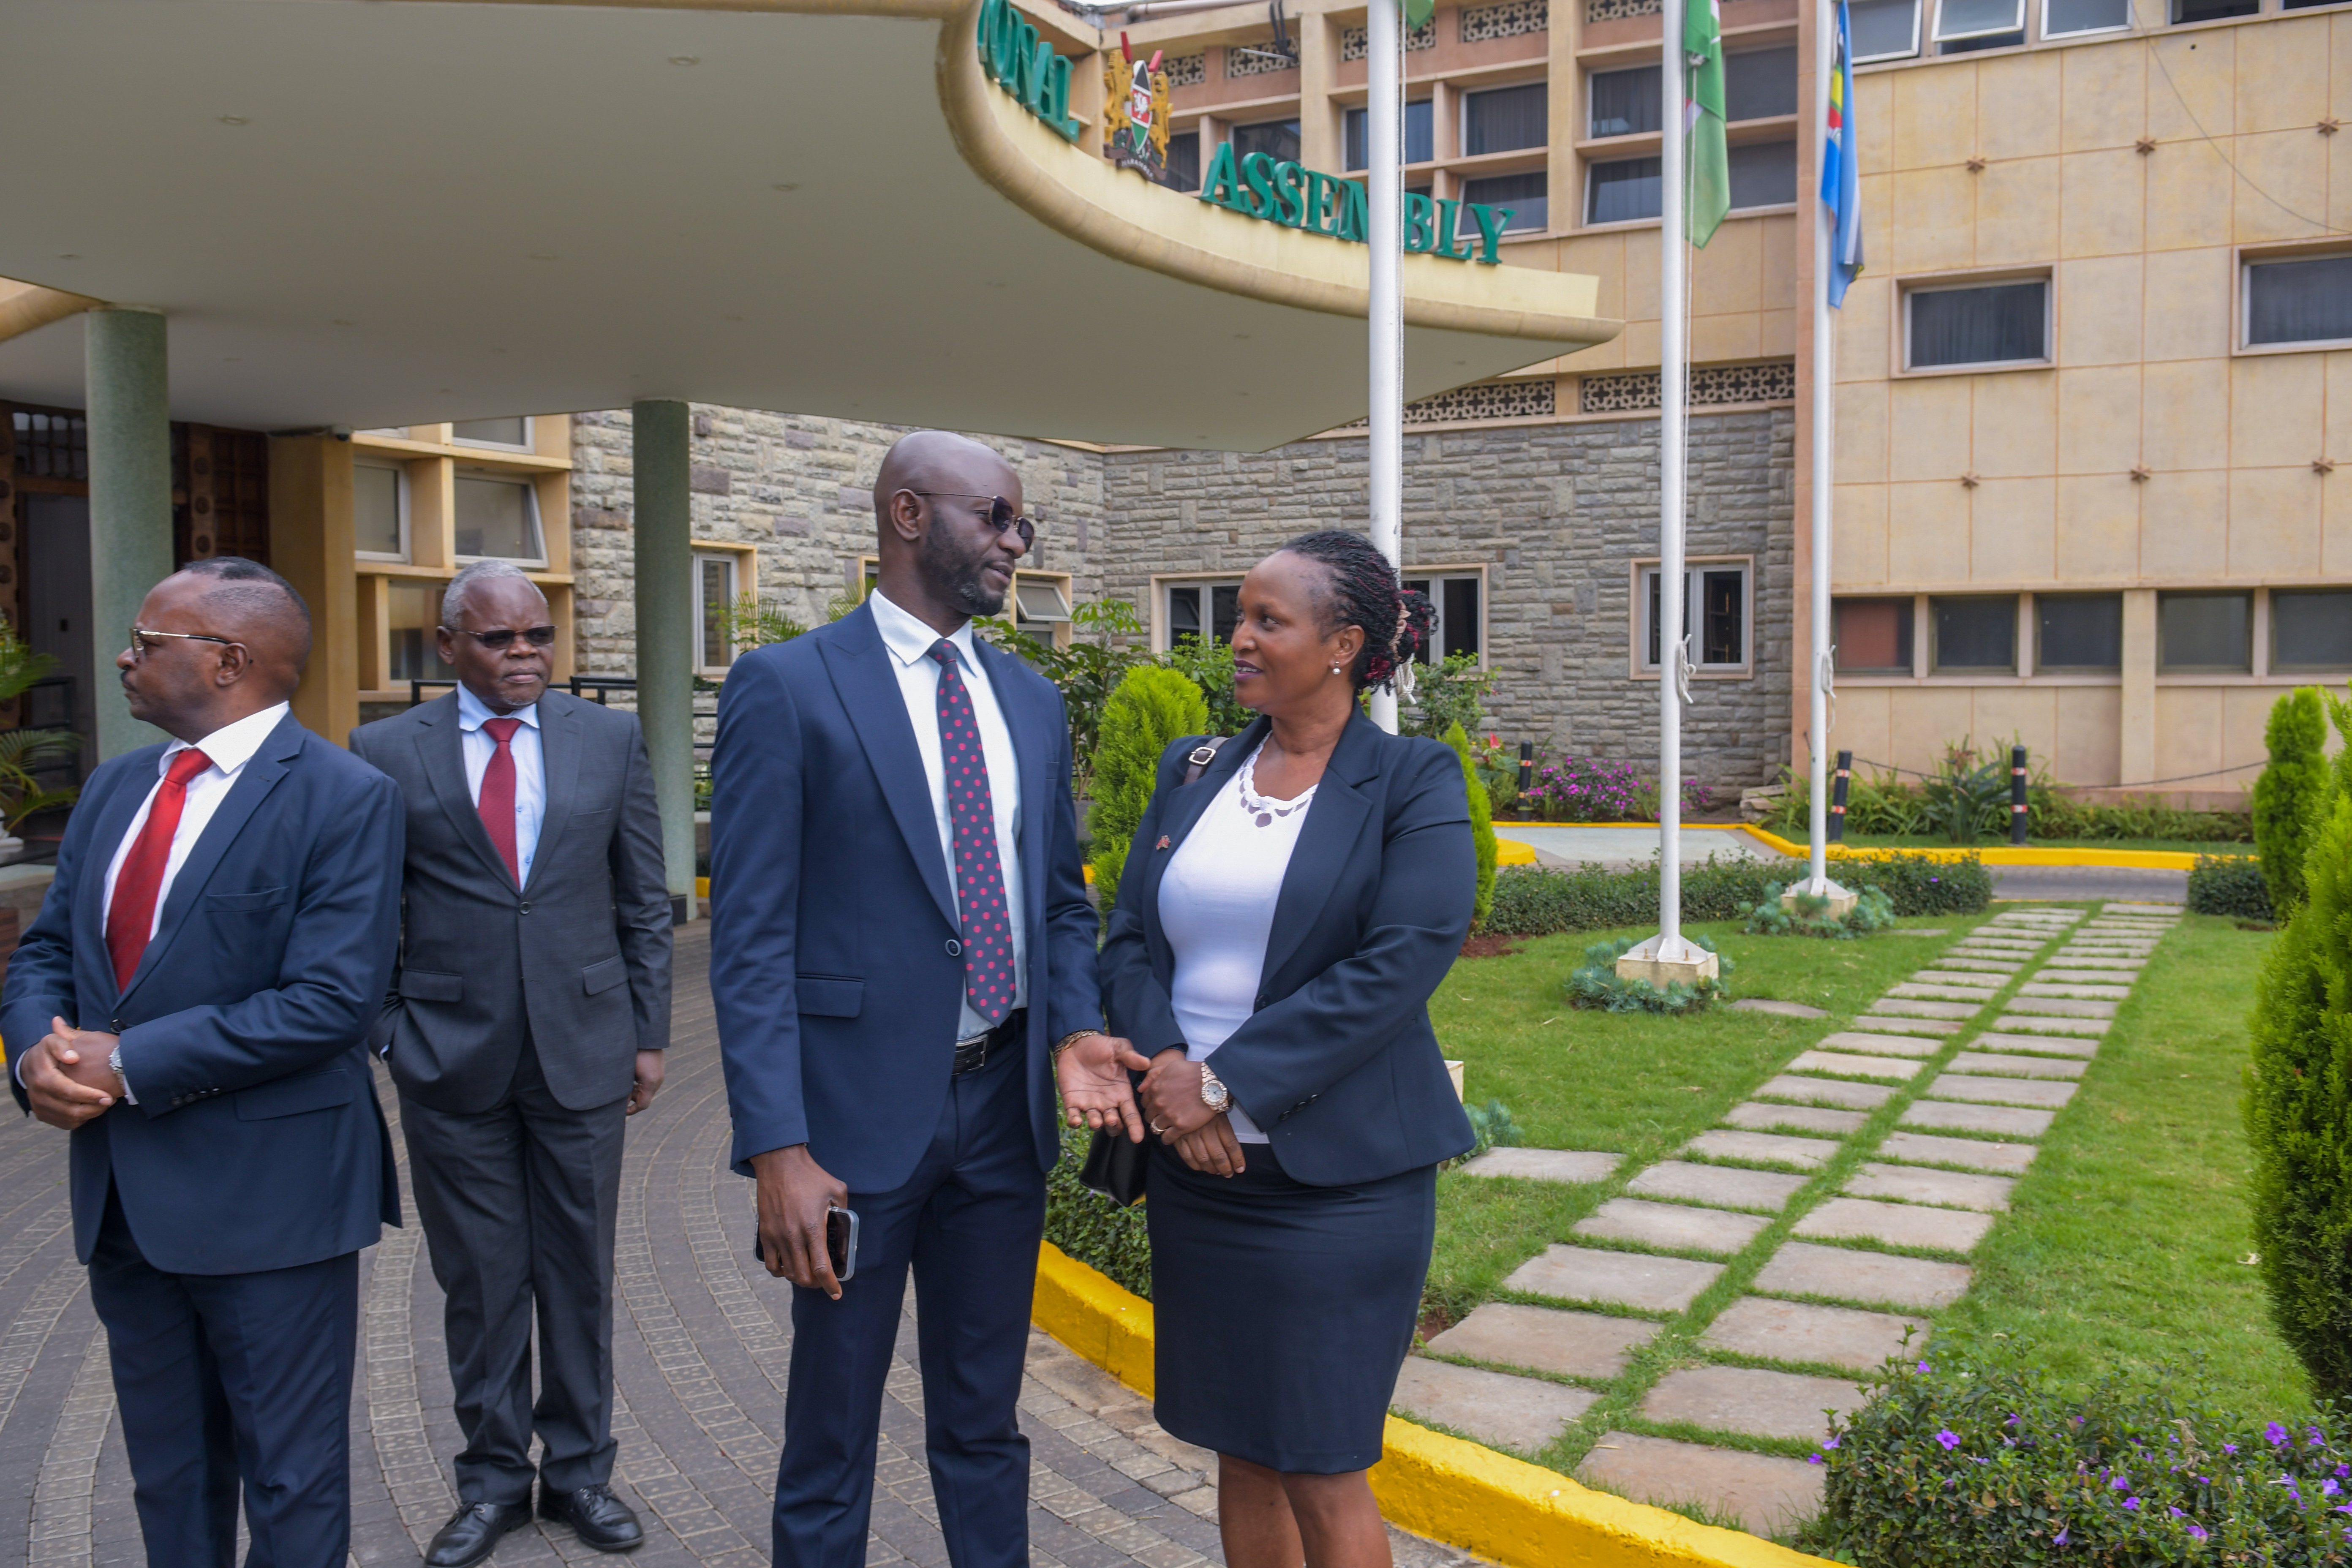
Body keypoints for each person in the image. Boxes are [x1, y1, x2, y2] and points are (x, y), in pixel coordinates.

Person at [708, 430, 1141, 1568]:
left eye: (1022, 525)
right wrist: (778, 1148)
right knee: (831, 1435)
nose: (1015, 542)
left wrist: (1081, 1024)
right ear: (908, 517)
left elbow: (1058, 901)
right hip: (851, 1132)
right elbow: (748, 941)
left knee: (985, 1424)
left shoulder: (1030, 700)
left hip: (1002, 1117)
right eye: (996, 517)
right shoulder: (789, 687)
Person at [3, 559, 405, 1568]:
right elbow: (50, 947)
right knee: (169, 1475)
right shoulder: (115, 784)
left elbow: (329, 1003)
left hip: (271, 1208)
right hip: (125, 1203)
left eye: (149, 639)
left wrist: (128, 1059)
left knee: (290, 1478)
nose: (125, 658)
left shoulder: (346, 797)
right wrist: (32, 1054)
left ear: (228, 660)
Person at [1096, 529, 1477, 1568]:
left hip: (1339, 1186)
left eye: (1270, 619)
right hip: (1200, 1176)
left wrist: (1224, 1081)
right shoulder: (1198, 767)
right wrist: (1175, 1072)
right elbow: (1128, 936)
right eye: (1241, 617)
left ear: (1345, 642)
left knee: (1319, 1457)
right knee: (1243, 1450)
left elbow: (1399, 965)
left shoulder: (1412, 781)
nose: (1241, 639)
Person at [350, 558, 672, 1567]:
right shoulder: (383, 750)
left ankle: (580, 1471)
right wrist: (391, 1031)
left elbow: (642, 897)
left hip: (583, 1048)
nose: (526, 653)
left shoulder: (608, 736)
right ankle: (492, 1480)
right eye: (499, 639)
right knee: (481, 1281)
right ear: (448, 646)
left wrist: (650, 1032)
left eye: (538, 635)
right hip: (450, 1058)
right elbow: (362, 915)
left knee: (578, 1271)